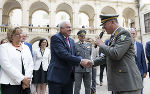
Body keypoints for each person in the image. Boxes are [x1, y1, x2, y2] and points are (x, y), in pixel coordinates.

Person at [93, 14, 143, 94]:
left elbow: (116, 54)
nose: (103, 28)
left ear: (112, 22)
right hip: (120, 83)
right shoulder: (114, 36)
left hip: (128, 84)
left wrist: (102, 45)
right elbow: (107, 57)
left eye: (104, 24)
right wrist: (92, 62)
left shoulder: (124, 34)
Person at [47, 21, 92, 94]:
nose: (70, 29)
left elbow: (75, 54)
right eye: (68, 27)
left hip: (69, 77)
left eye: (70, 27)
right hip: (57, 77)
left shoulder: (71, 40)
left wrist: (83, 61)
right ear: (61, 29)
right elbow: (63, 54)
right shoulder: (56, 38)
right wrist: (80, 60)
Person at [0, 27, 34, 94]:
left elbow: (30, 64)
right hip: (10, 83)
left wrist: (26, 80)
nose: (20, 35)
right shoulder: (4, 47)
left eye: (21, 33)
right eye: (17, 34)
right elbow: (6, 65)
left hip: (25, 84)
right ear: (11, 36)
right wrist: (22, 79)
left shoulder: (26, 48)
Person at [128, 28, 147, 94]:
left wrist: (145, 71)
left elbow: (143, 59)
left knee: (140, 90)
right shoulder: (125, 45)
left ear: (136, 35)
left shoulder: (140, 45)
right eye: (131, 33)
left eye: (134, 33)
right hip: (130, 72)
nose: (132, 35)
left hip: (140, 72)